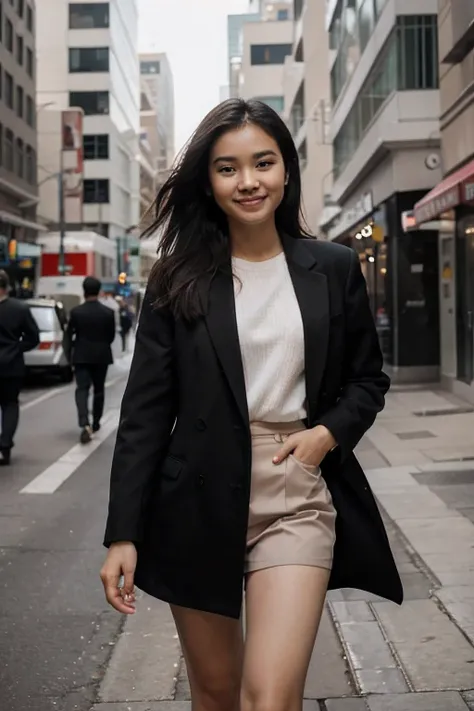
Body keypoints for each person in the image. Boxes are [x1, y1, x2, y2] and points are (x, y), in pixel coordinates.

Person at [101, 99, 403, 711]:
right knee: (215, 693)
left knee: (270, 696)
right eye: (228, 168)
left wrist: (326, 435)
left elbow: (367, 379)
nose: (248, 182)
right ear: (209, 183)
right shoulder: (175, 280)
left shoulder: (335, 267)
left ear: (286, 170)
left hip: (293, 490)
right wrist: (123, 534)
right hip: (197, 493)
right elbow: (145, 415)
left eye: (263, 162)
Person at [64, 276, 116, 444]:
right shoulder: (108, 313)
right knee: (99, 390)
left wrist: (69, 355)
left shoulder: (76, 312)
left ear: (84, 290)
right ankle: (96, 423)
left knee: (82, 390)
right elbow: (111, 336)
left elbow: (68, 336)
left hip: (81, 355)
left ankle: (84, 422)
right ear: (99, 291)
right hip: (101, 355)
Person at [0, 270, 39, 465]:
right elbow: (33, 338)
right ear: (7, 287)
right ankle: (4, 445)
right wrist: (16, 348)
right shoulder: (19, 309)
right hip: (11, 365)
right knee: (9, 405)